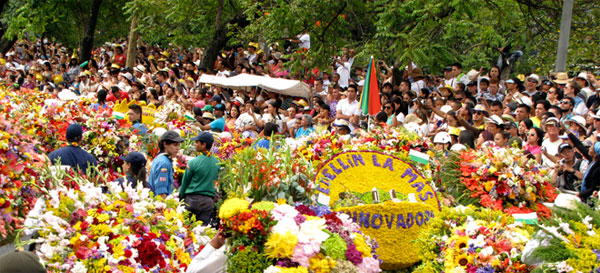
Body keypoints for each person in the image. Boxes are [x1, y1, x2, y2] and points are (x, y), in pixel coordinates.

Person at [179, 132, 220, 225]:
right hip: (207, 202)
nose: (194, 144)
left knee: (186, 228)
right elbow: (216, 183)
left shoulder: (193, 162)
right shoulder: (217, 163)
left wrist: (181, 198)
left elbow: (185, 182)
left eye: (197, 142)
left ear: (204, 144)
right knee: (203, 231)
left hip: (191, 200)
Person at [148, 130, 184, 198]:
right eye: (175, 145)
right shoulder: (164, 162)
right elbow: (161, 191)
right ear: (165, 144)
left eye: (179, 145)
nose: (178, 148)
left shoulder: (161, 158)